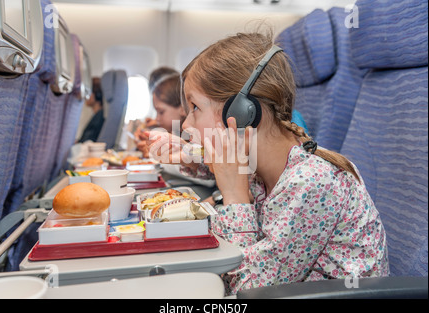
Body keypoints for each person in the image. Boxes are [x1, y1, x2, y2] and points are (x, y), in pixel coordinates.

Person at [149, 31, 389, 295]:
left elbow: (248, 292)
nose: (185, 124)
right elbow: (214, 162)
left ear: (240, 113)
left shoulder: (311, 183)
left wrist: (235, 196)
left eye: (195, 107)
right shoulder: (262, 165)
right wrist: (188, 155)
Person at [77, 78, 105, 143]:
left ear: (96, 94)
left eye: (88, 91)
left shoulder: (99, 117)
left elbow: (87, 141)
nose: (85, 95)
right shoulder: (98, 115)